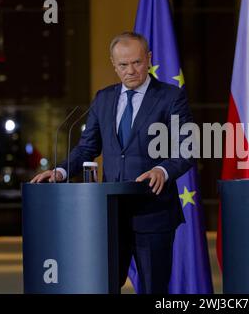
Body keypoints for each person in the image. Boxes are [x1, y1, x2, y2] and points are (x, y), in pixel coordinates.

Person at [30, 32, 193, 293]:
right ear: (113, 64)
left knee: (153, 289)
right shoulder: (103, 98)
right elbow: (87, 147)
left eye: (137, 62)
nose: (131, 71)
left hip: (153, 212)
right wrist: (60, 171)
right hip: (108, 216)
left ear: (149, 59)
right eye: (123, 65)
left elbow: (187, 148)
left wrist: (162, 169)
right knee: (103, 286)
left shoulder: (171, 97)